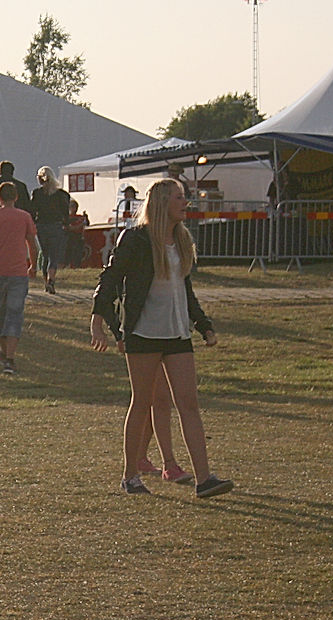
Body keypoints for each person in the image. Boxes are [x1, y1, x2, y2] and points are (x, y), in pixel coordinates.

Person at [91, 178, 233, 499]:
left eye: (185, 197)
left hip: (178, 333)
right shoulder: (137, 239)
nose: (186, 202)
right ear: (161, 203)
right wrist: (98, 320)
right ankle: (130, 476)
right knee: (142, 403)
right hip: (143, 333)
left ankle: (204, 479)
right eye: (179, 198)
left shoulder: (181, 240)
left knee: (189, 404)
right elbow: (111, 277)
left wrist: (203, 325)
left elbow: (185, 290)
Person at [0, 181, 38, 375]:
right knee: (15, 314)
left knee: (0, 313)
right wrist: (34, 265)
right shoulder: (24, 217)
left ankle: (5, 353)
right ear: (16, 197)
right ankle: (9, 357)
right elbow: (32, 244)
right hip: (18, 272)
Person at [31, 166, 71, 294]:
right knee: (54, 256)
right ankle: (51, 280)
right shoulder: (61, 195)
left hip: (42, 226)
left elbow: (32, 210)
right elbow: (65, 213)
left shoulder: (37, 194)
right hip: (56, 226)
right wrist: (66, 223)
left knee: (45, 253)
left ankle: (45, 280)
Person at [64, 198, 89, 269]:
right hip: (69, 238)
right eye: (71, 206)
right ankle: (67, 266)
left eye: (74, 207)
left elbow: (87, 224)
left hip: (79, 237)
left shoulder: (80, 217)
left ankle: (77, 266)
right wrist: (80, 225)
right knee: (69, 253)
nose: (73, 209)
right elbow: (69, 228)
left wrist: (86, 218)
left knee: (78, 253)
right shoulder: (67, 218)